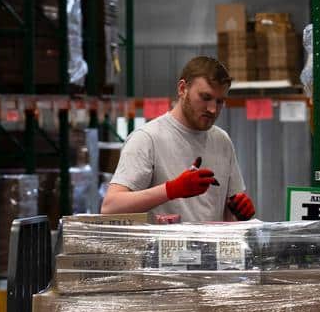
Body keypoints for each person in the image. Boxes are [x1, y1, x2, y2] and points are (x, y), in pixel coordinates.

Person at [102, 56, 254, 222]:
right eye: (205, 97)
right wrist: (171, 190)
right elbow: (111, 208)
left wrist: (239, 214)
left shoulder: (221, 140)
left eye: (220, 101)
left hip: (209, 247)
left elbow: (225, 215)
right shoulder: (147, 139)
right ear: (182, 89)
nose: (212, 109)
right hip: (163, 248)